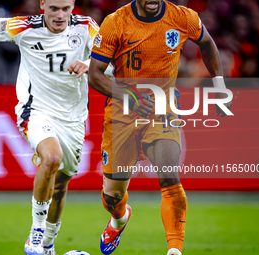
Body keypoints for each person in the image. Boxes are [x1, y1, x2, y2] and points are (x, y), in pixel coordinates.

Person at [0, 0, 103, 254]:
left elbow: (111, 65)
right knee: (51, 158)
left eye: (65, 9)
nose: (60, 15)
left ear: (72, 7)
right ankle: (36, 233)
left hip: (73, 119)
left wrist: (91, 64)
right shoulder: (24, 27)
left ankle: (48, 245)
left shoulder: (86, 28)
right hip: (36, 111)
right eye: (53, 9)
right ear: (42, 5)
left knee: (60, 187)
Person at [88, 1, 232, 255]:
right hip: (122, 114)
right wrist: (130, 98)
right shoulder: (115, 23)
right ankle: (119, 219)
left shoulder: (182, 17)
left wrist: (218, 84)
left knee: (169, 176)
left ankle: (174, 250)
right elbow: (95, 75)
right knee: (112, 197)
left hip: (161, 110)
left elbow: (206, 42)